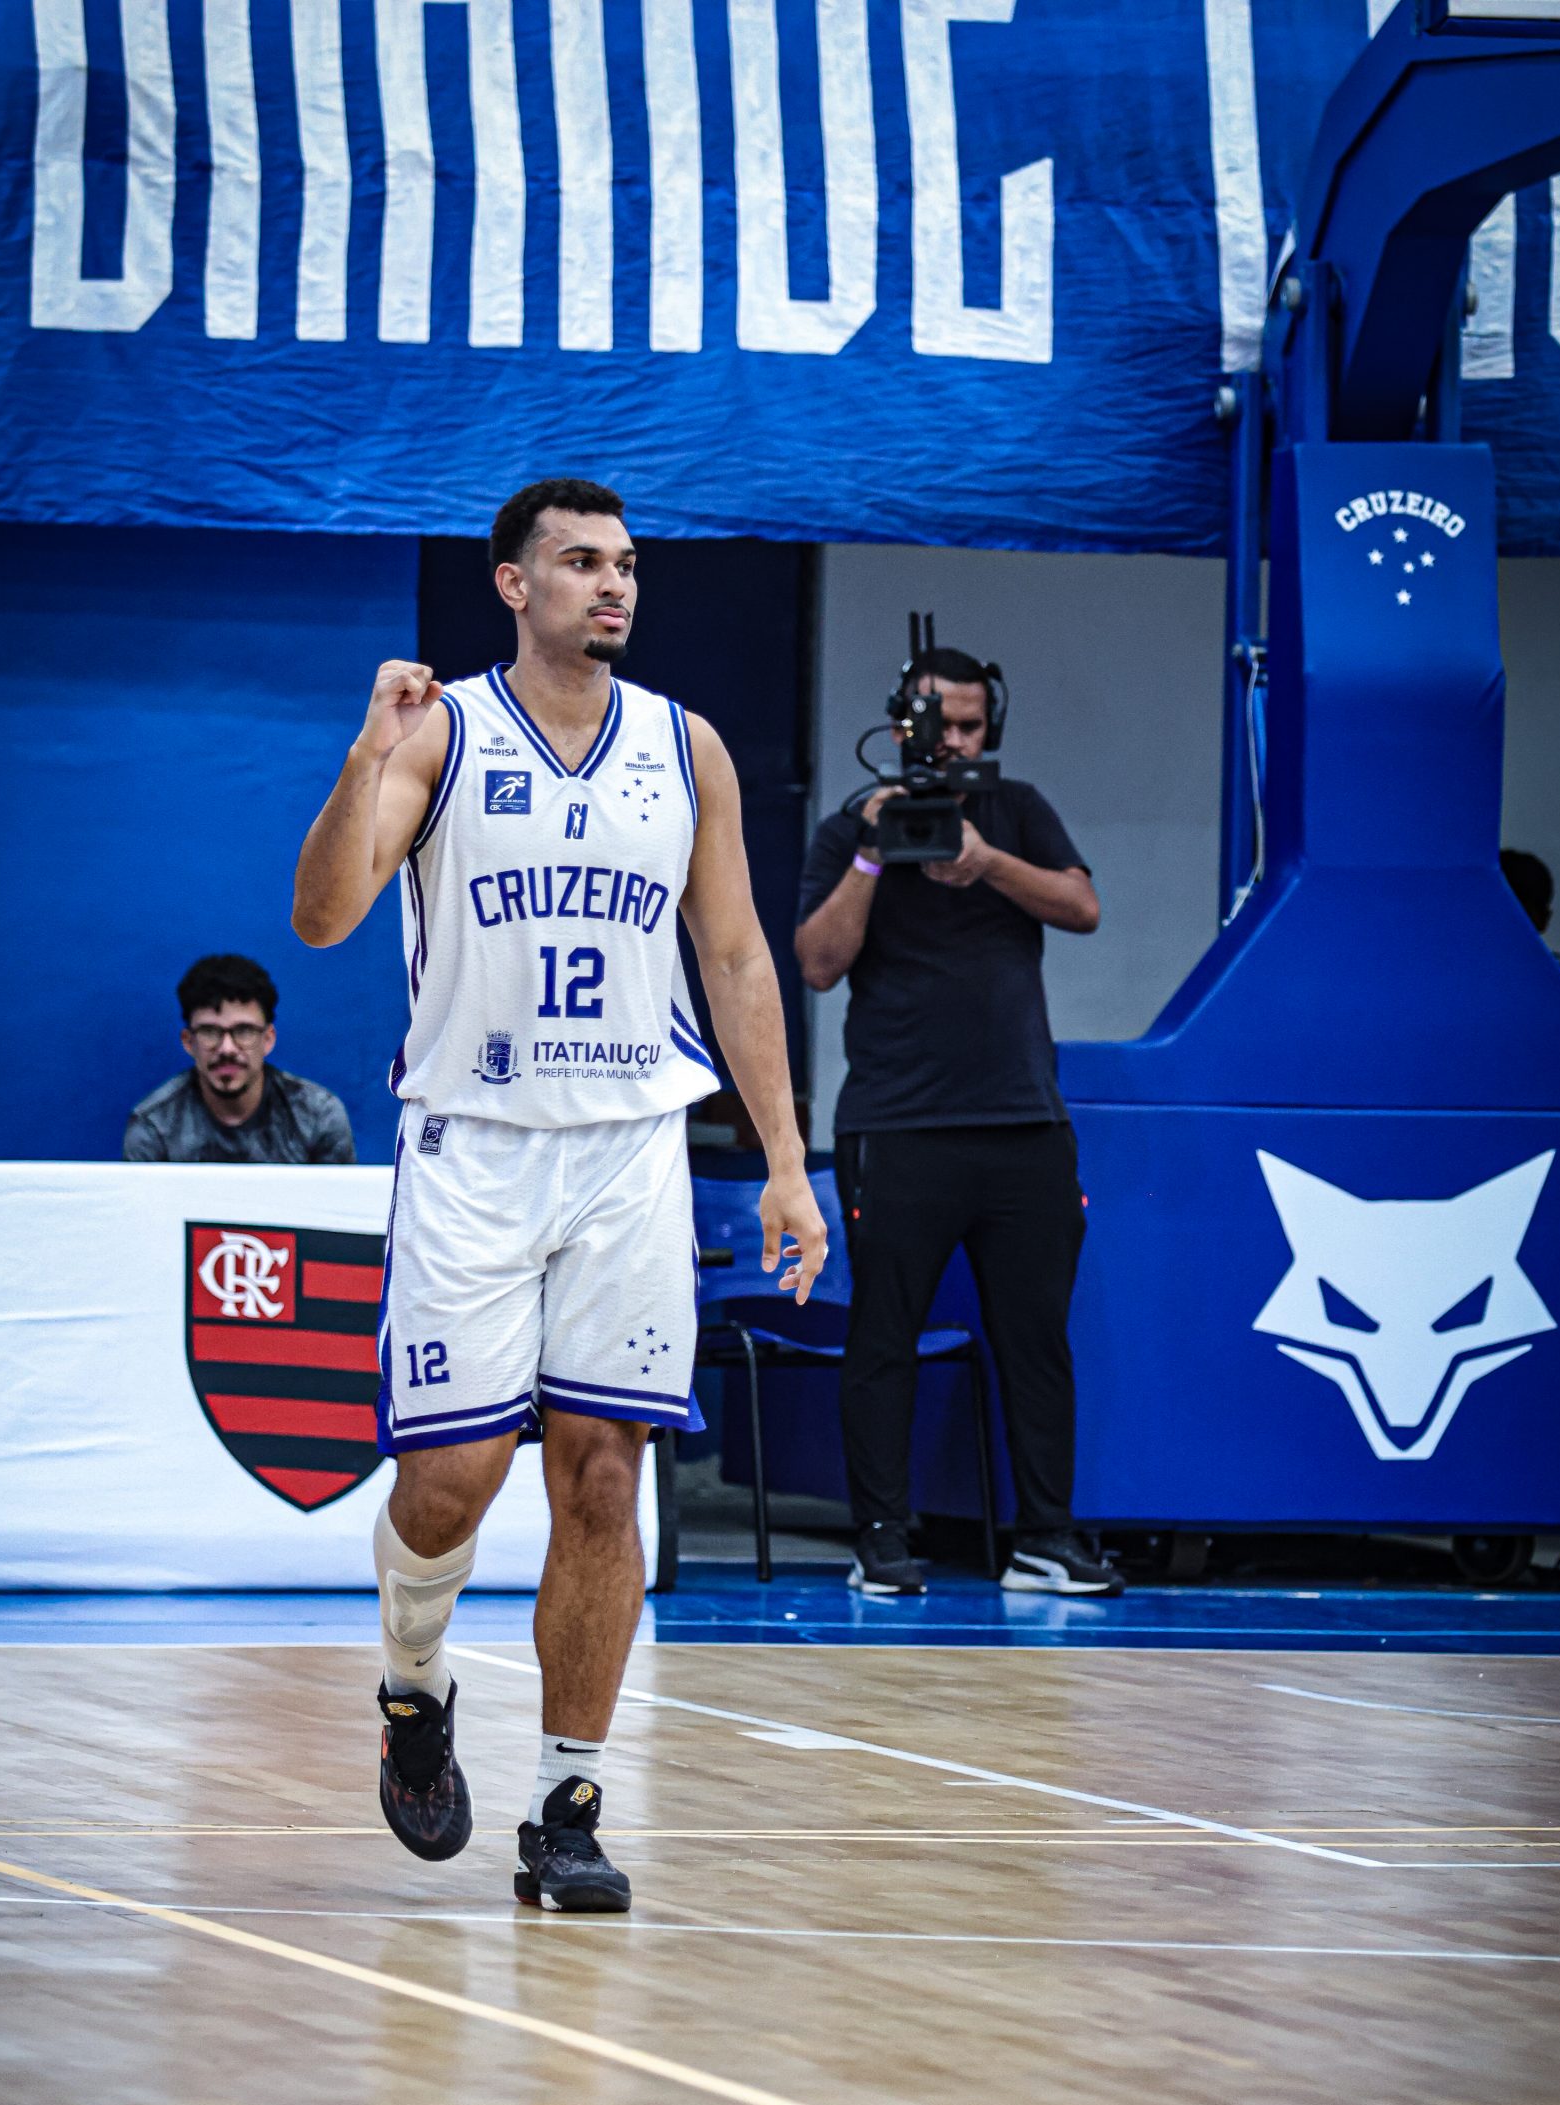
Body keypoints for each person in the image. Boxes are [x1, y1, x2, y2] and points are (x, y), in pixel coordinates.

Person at [293, 477, 825, 1913]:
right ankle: (413, 1684)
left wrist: (784, 1160)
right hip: (474, 1144)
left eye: (626, 563)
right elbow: (323, 918)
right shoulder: (443, 732)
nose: (614, 584)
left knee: (602, 1474)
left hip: (630, 1148)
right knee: (451, 1481)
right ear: (512, 585)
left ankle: (567, 1803)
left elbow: (734, 959)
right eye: (582, 561)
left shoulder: (686, 748)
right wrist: (363, 755)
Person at [794, 644, 1122, 1601]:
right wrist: (872, 853)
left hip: (1023, 1121)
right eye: (941, 726)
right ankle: (881, 1537)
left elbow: (1082, 907)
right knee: (883, 1337)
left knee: (1036, 1339)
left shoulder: (1015, 809)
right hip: (898, 1124)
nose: (956, 743)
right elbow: (816, 964)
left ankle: (1045, 1536)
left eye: (972, 727)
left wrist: (987, 864)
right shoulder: (849, 826)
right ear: (904, 727)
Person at [123, 954, 356, 1163]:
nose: (227, 1049)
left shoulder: (317, 1116)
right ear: (188, 1041)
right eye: (209, 1031)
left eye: (243, 1031)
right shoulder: (155, 1126)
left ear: (268, 1039)